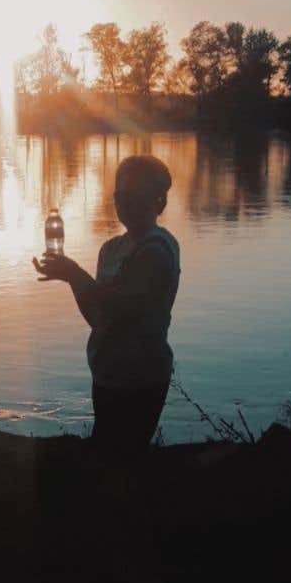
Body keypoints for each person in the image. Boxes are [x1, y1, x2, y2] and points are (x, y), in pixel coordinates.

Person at [33, 154, 180, 455]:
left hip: (142, 376)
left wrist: (75, 273)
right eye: (121, 195)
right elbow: (100, 318)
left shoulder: (158, 250)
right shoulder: (110, 249)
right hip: (106, 372)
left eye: (138, 196)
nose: (127, 203)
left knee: (122, 461)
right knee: (106, 457)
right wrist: (72, 280)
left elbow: (124, 307)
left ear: (159, 202)